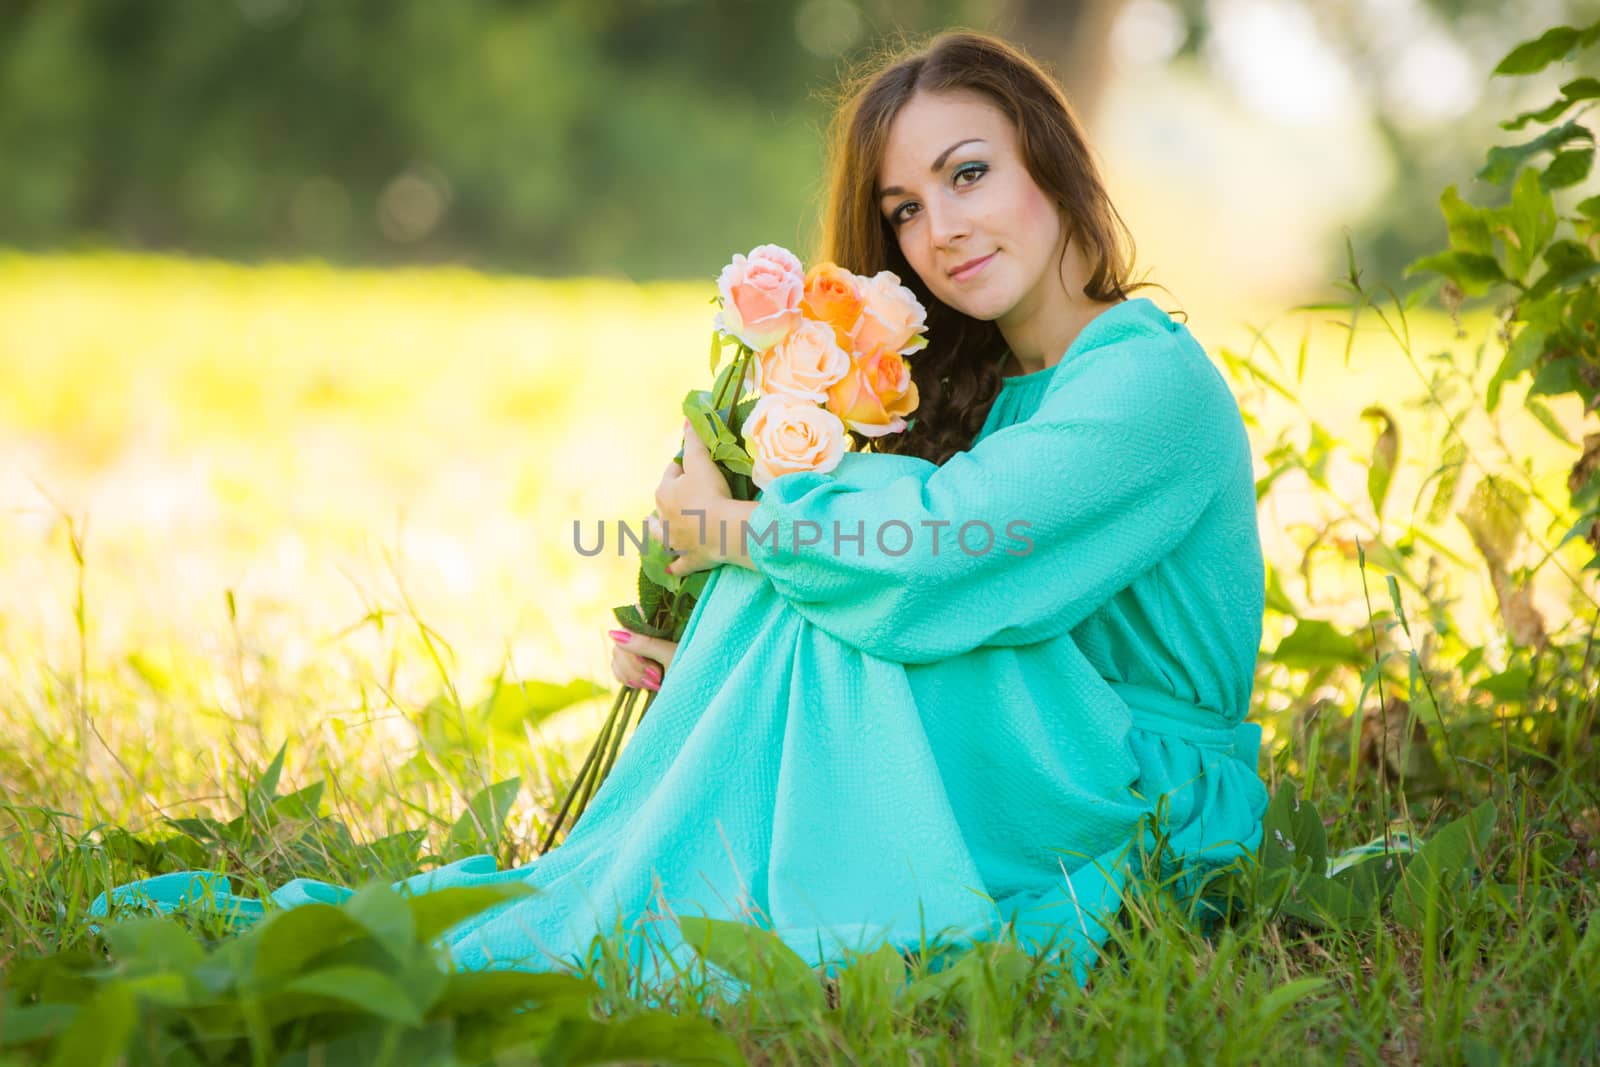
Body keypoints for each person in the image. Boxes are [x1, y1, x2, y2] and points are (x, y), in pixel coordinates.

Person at [92, 29, 1269, 998]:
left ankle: (670, 899)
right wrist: (701, 623)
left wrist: (728, 535)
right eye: (903, 208)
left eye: (969, 174)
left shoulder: (1144, 380)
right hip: (1028, 734)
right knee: (816, 551)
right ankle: (651, 882)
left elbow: (932, 564)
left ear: (1052, 167)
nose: (939, 228)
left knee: (841, 550)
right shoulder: (991, 389)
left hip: (1136, 791)